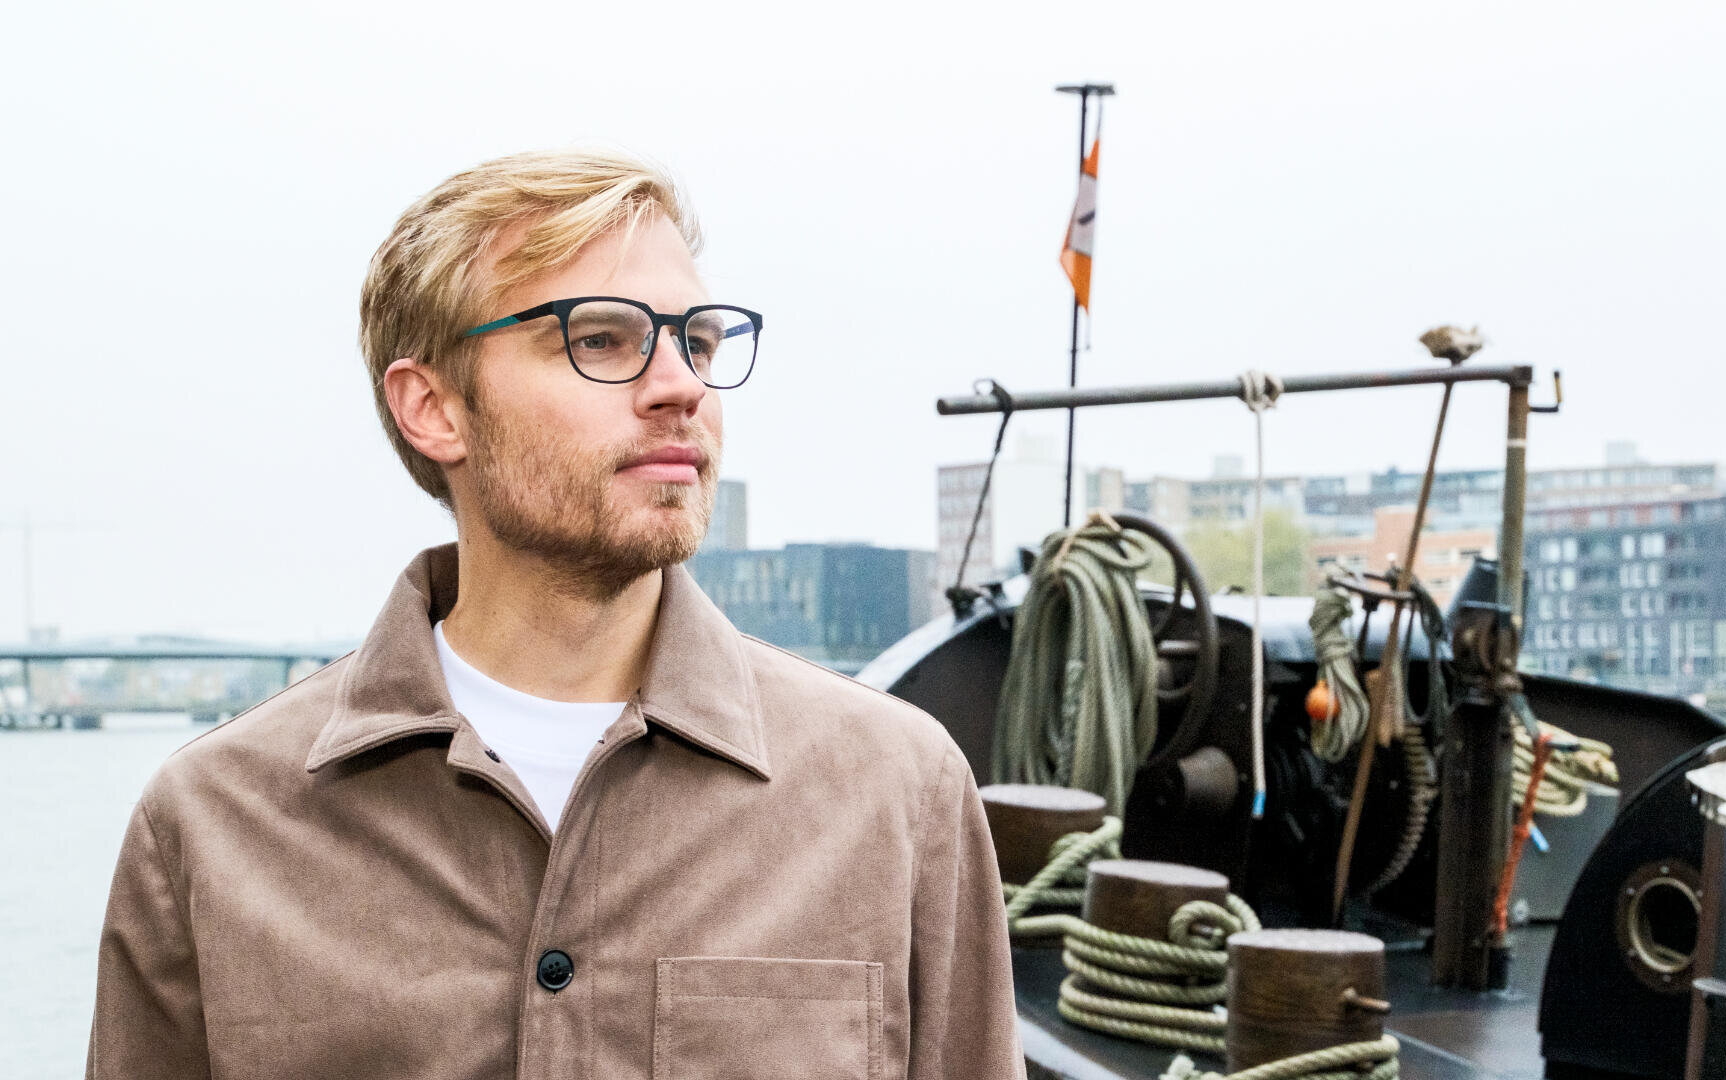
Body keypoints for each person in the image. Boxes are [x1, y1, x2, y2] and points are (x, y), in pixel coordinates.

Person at [87, 148, 1025, 1079]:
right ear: (434, 408)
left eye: (698, 343)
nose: (683, 386)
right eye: (602, 339)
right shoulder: (212, 825)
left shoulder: (895, 793)